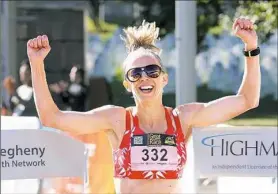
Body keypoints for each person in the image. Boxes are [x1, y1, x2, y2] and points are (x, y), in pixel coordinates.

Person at [26, 18, 260, 194]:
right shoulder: (117, 119)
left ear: (163, 79)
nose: (144, 78)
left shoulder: (183, 118)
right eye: (135, 74)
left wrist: (251, 48)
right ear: (127, 84)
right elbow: (52, 118)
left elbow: (247, 100)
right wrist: (36, 65)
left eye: (152, 71)